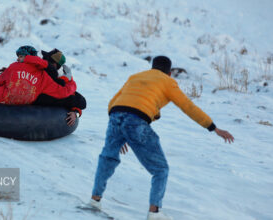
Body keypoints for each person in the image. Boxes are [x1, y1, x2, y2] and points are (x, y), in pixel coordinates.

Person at [89, 56, 234, 220]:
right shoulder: (167, 82)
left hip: (116, 116)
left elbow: (113, 102)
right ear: (170, 73)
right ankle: (154, 212)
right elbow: (188, 106)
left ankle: (94, 201)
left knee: (107, 158)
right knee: (160, 169)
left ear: (153, 67)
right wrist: (213, 128)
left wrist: (120, 132)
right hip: (136, 121)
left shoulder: (136, 76)